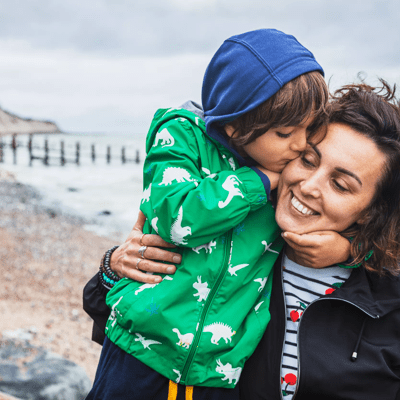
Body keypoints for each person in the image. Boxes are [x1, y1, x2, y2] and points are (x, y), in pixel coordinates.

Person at [84, 80, 400, 399]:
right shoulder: (244, 236)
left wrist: (353, 249)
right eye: (307, 159)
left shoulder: (390, 297)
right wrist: (114, 267)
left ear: (372, 210)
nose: (308, 186)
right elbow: (120, 328)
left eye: (341, 185)